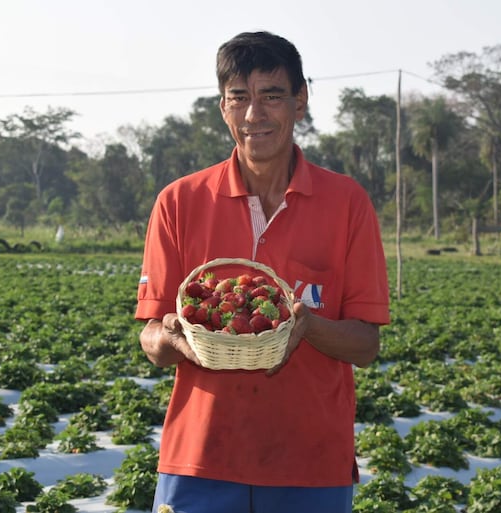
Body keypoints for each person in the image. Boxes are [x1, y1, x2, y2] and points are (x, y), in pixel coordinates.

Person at [136, 31, 390, 513]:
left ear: (300, 101)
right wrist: (171, 336)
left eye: (272, 96)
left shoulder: (346, 204)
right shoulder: (179, 202)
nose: (255, 114)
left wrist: (309, 327)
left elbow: (366, 344)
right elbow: (152, 336)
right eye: (240, 98)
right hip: (201, 460)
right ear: (223, 108)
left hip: (310, 465)